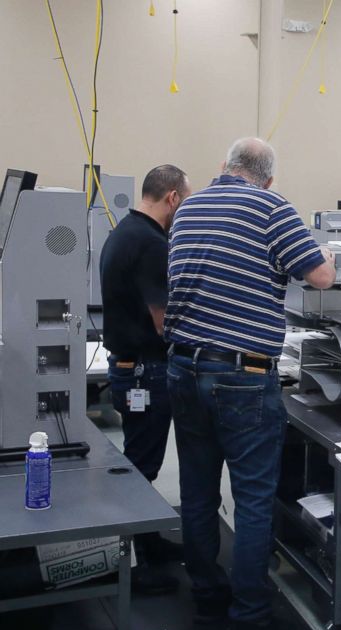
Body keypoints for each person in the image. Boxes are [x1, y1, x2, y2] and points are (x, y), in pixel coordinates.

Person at [165, 137, 336, 630]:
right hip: (242, 376)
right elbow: (322, 277)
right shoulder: (272, 207)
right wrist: (323, 252)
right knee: (255, 500)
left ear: (225, 167)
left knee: (197, 493)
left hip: (184, 366)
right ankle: (250, 617)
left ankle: (208, 597)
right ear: (267, 177)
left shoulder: (189, 207)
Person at [100, 164, 191, 594]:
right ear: (172, 197)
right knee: (141, 469)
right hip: (146, 372)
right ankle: (130, 570)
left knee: (140, 461)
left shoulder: (124, 232)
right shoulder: (152, 244)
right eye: (184, 201)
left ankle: (151, 546)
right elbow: (163, 323)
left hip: (128, 367)